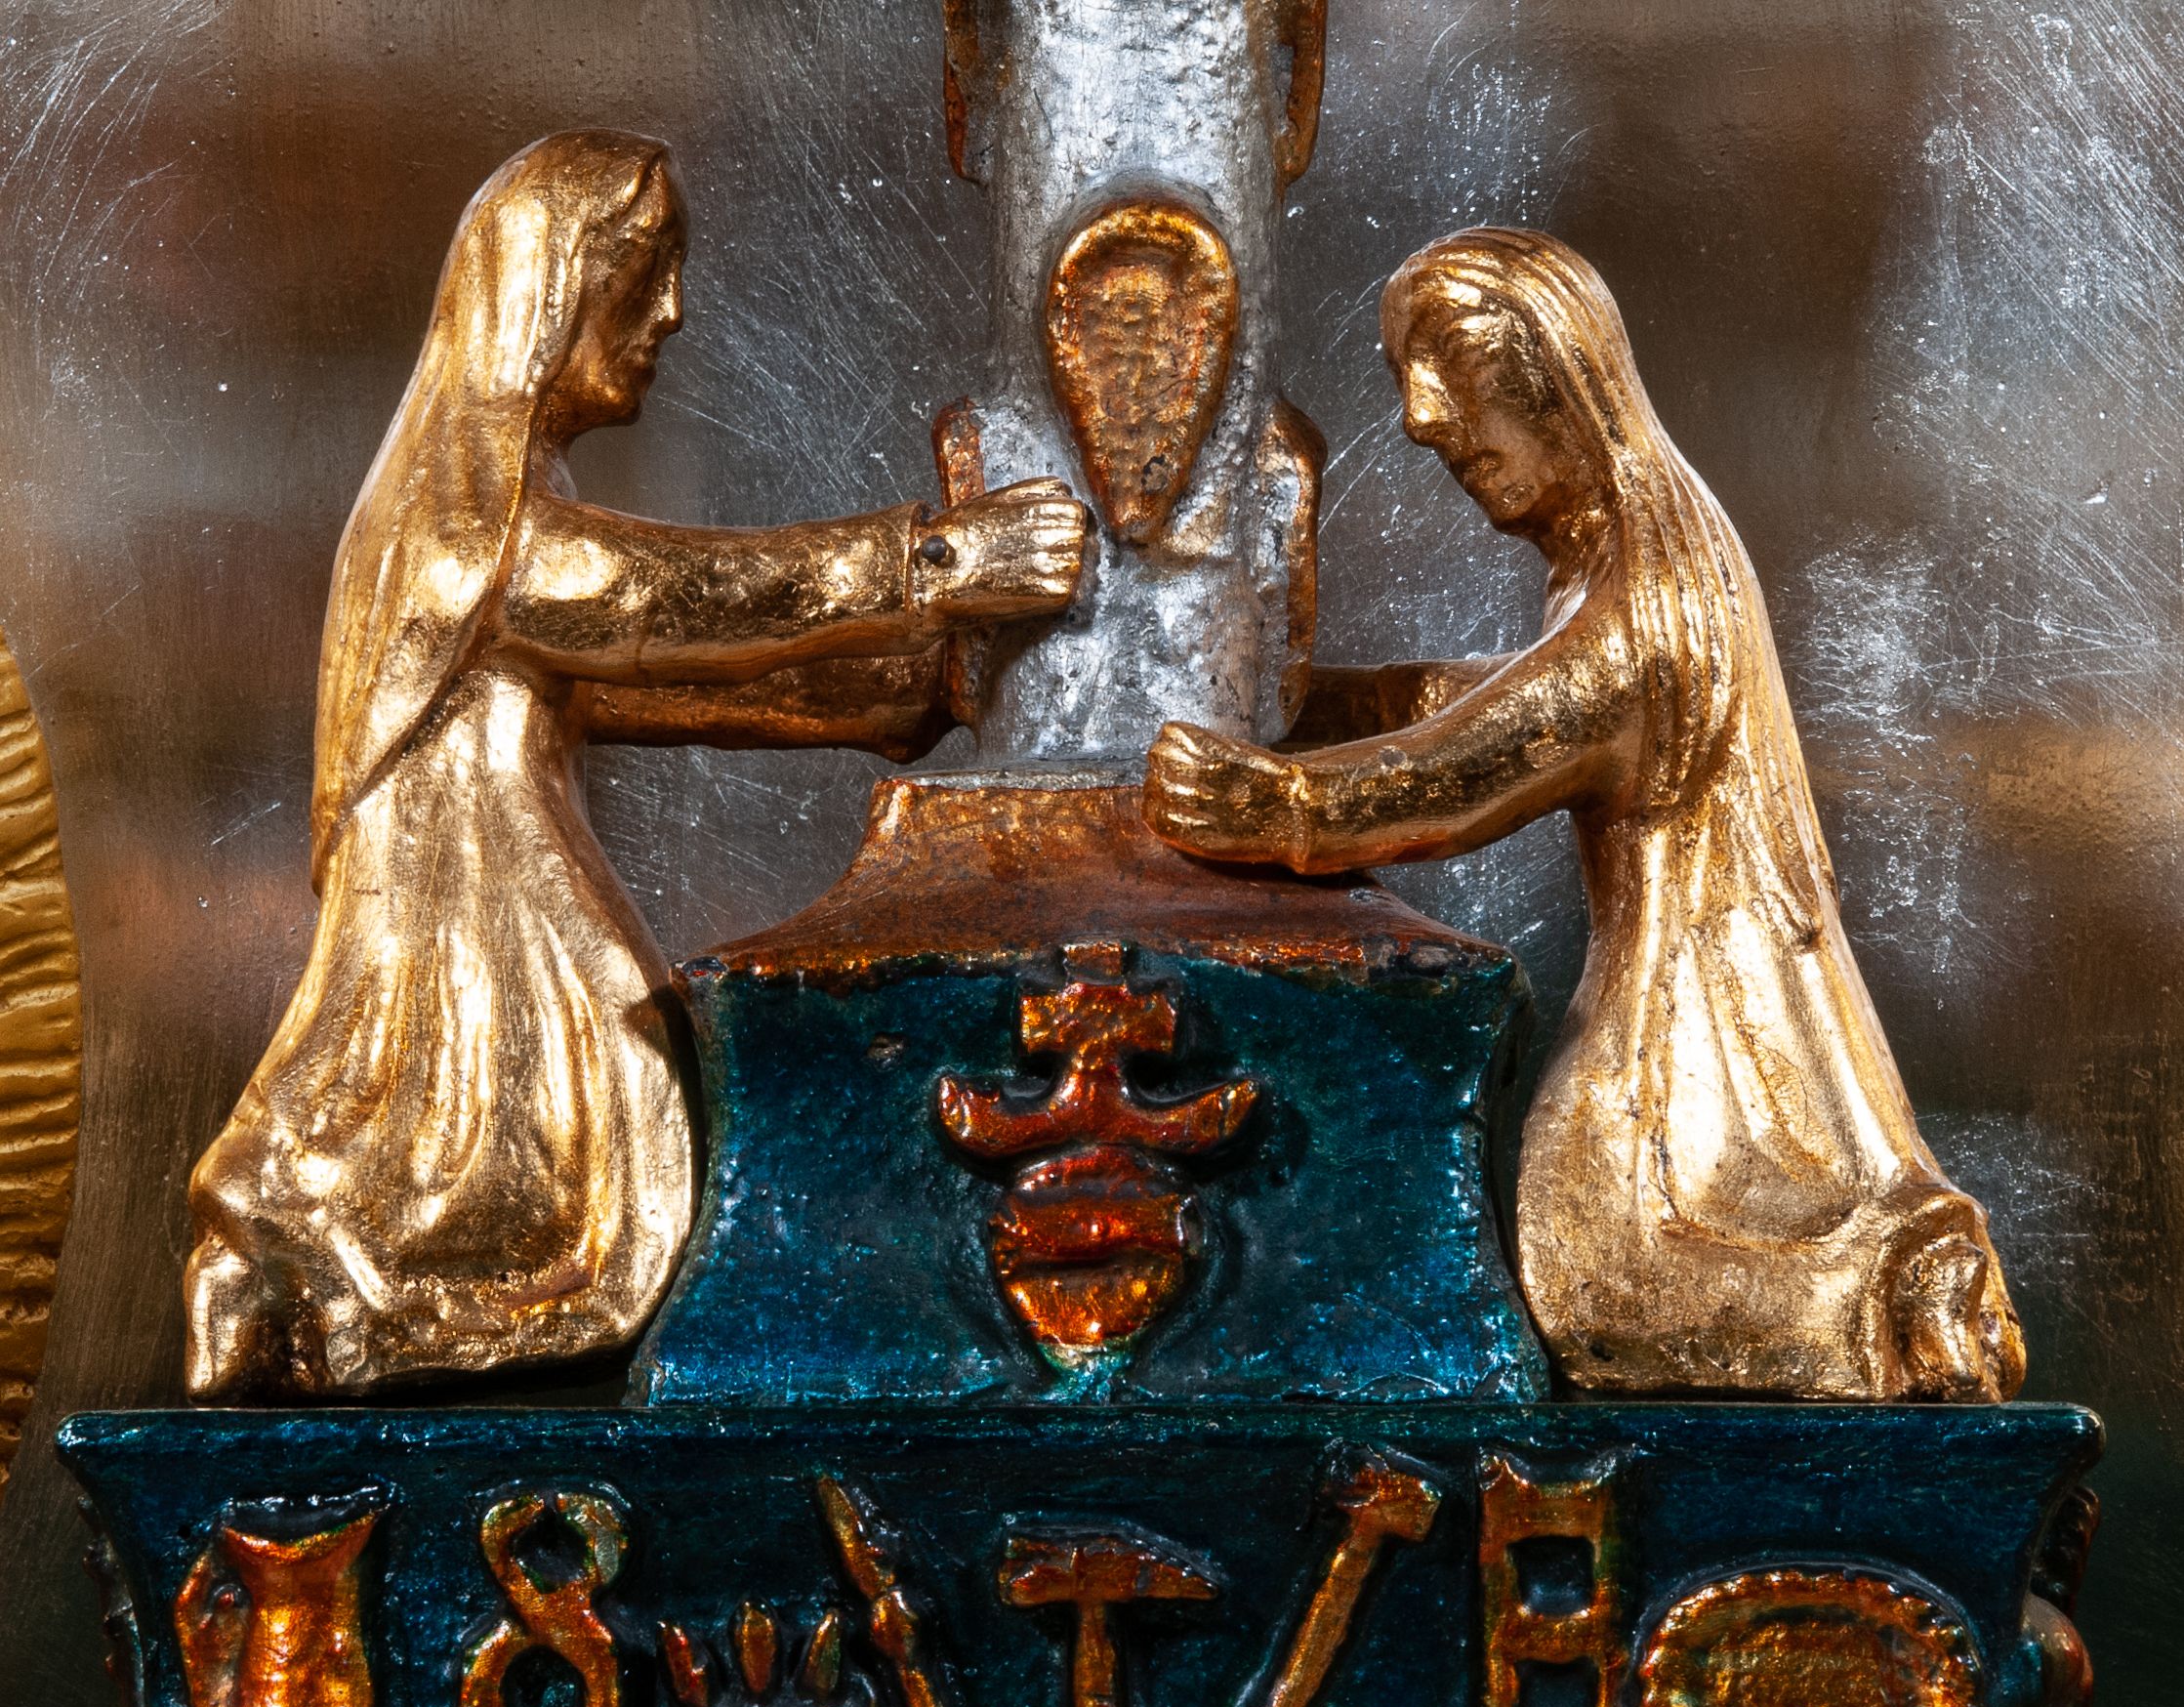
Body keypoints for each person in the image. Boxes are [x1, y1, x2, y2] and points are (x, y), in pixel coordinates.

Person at [185, 130, 1089, 1398]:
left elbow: (652, 677)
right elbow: (644, 598)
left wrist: (892, 698)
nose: (669, 313)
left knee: (561, 1126)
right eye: (642, 274)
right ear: (553, 288)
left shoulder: (496, 498)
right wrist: (934, 562)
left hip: (494, 873)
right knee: (561, 1112)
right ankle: (309, 1275)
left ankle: (339, 1291)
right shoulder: (461, 511)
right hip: (460, 899)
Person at [1142, 227, 2022, 1402]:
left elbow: (1487, 758)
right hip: (1692, 998)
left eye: (1454, 365)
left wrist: (1281, 804)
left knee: (1603, 1276)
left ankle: (1880, 1300)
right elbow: (1507, 701)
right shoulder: (1629, 558)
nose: (1421, 418)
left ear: (1562, 378)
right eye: (1410, 377)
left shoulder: (1650, 602)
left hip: (1691, 1033)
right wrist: (1329, 702)